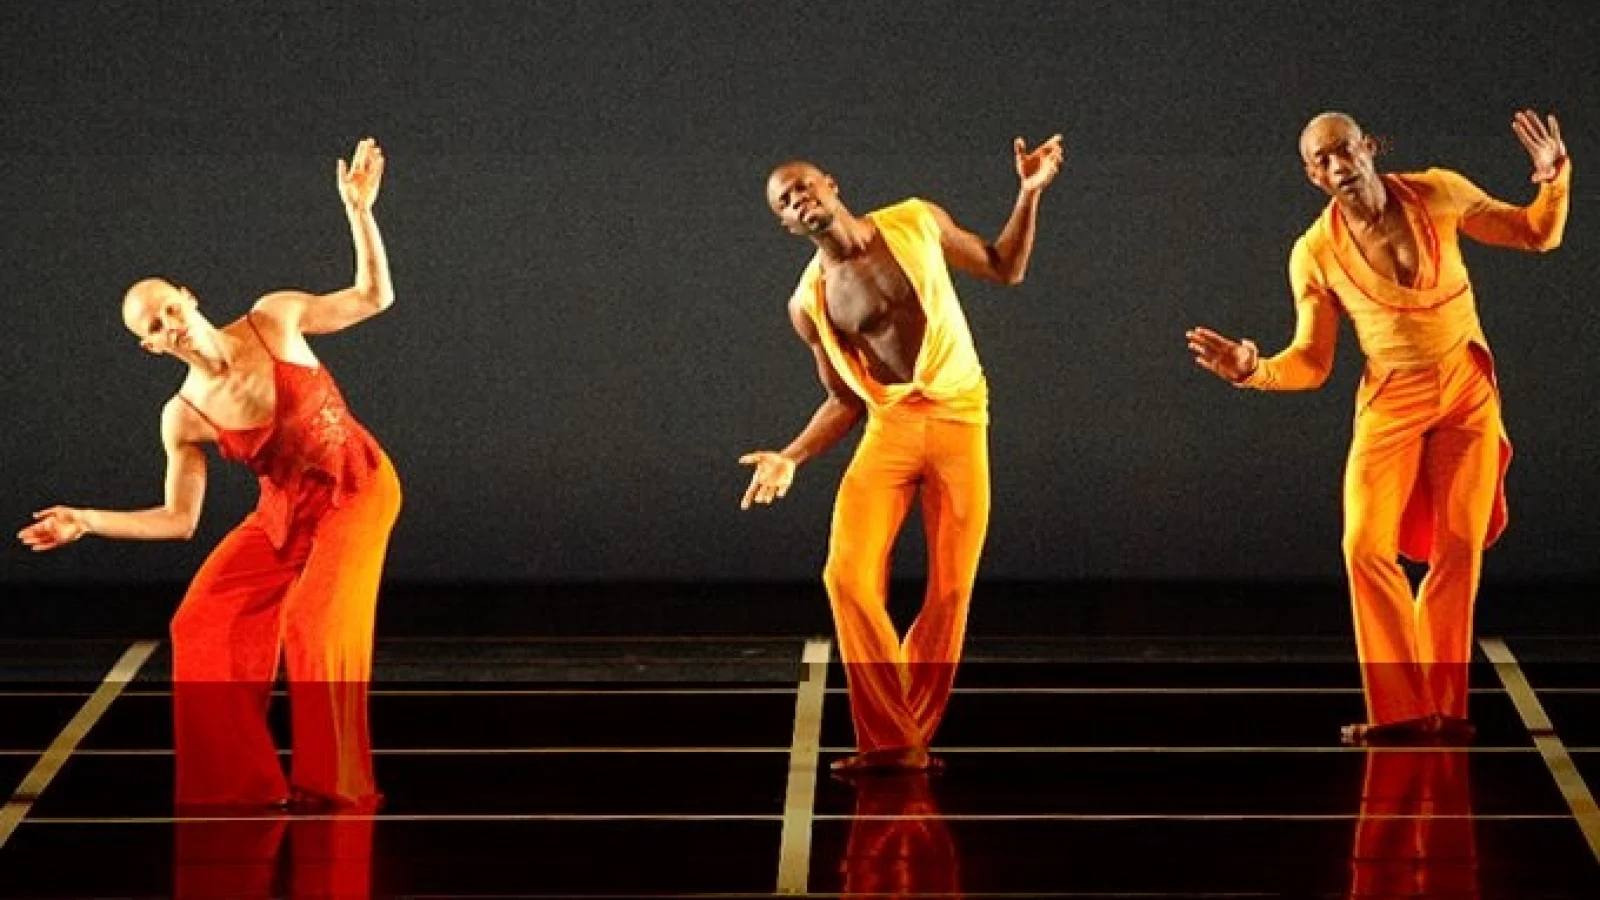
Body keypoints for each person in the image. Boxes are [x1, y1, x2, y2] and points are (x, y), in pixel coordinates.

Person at [18, 137, 401, 810]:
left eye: (171, 309)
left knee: (314, 621)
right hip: (285, 511)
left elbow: (374, 296)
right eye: (156, 329)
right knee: (200, 620)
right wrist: (87, 520)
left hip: (356, 489)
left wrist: (360, 211)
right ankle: (240, 787)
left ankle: (335, 788)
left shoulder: (273, 319)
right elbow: (180, 519)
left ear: (189, 298)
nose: (173, 327)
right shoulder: (184, 416)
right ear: (152, 347)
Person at [1186, 110, 1570, 744]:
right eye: (1321, 161)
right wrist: (1253, 369)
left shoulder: (1439, 192)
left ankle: (1443, 709)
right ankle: (1398, 709)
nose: (1338, 166)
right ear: (1312, 176)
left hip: (1466, 393)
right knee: (1364, 546)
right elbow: (1312, 362)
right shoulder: (1313, 253)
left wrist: (1552, 178)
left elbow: (1536, 234)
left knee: (1457, 548)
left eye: (1344, 150)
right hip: (1391, 400)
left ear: (1369, 147)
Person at [741, 136, 1064, 772]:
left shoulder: (917, 219)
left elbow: (1005, 266)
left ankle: (902, 737)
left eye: (805, 185)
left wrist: (1028, 193)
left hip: (959, 419)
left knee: (949, 590)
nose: (801, 199)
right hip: (889, 429)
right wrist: (790, 457)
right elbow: (842, 400)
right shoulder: (810, 304)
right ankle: (895, 737)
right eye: (786, 200)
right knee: (846, 576)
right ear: (784, 224)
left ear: (831, 183)